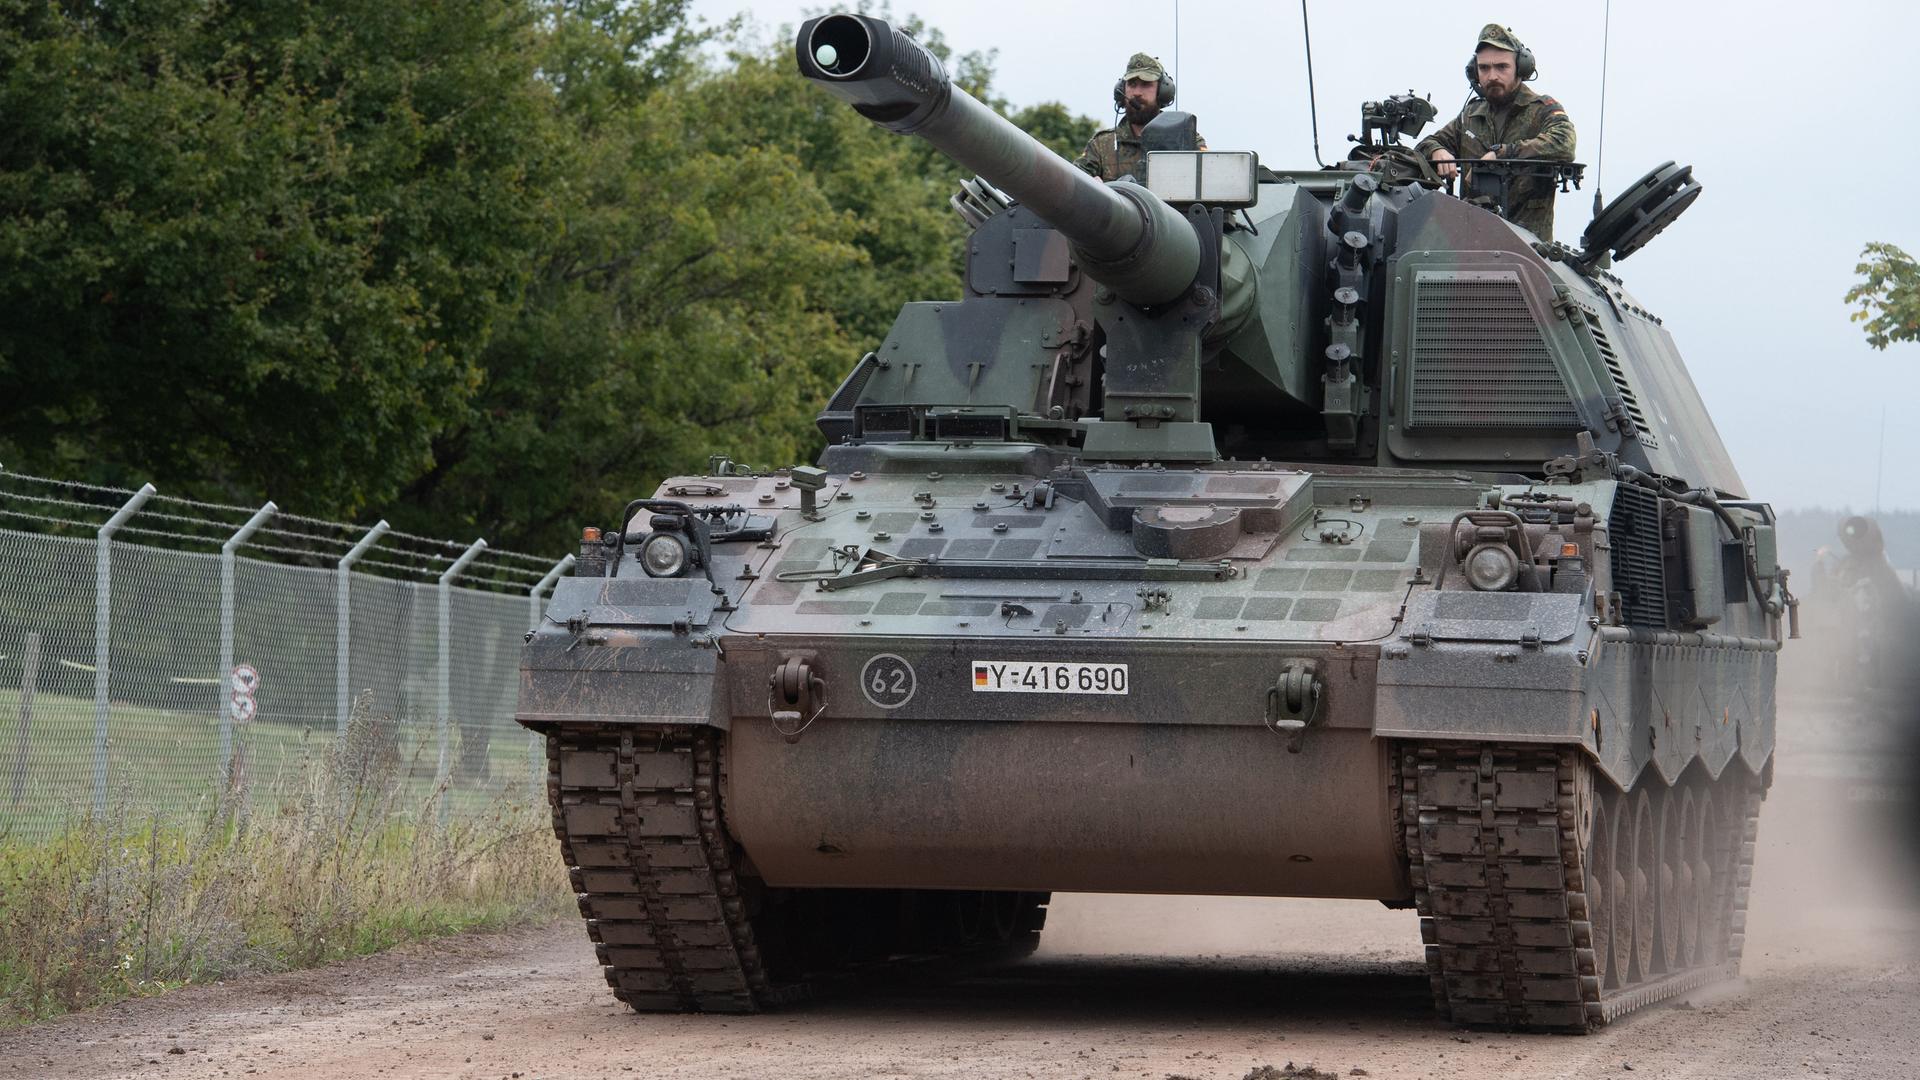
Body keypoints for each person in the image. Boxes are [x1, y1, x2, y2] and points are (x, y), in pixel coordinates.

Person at [1415, 24, 1576, 241]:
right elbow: (1427, 144)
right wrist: (1437, 150)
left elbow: (1564, 143)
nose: (1492, 76)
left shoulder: (1542, 109)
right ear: (1475, 71)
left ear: (1521, 68)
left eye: (1502, 67)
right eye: (1484, 68)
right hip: (1471, 245)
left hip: (1529, 249)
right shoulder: (1470, 116)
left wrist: (1502, 154)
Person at [1075, 53, 1205, 183]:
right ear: (1122, 90)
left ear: (1163, 92)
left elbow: (1208, 182)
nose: (1137, 92)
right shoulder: (1102, 144)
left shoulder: (1185, 140)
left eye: (1146, 84)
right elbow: (1073, 184)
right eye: (1132, 84)